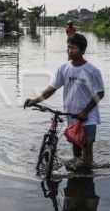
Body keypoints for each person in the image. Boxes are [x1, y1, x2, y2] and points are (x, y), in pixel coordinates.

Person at [24, 33, 104, 168]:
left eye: (74, 48)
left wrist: (85, 111)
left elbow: (100, 93)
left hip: (88, 116)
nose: (69, 51)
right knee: (76, 145)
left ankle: (87, 176)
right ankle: (76, 172)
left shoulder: (92, 70)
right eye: (68, 47)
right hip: (71, 114)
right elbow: (51, 89)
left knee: (87, 146)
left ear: (82, 50)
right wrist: (35, 100)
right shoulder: (63, 68)